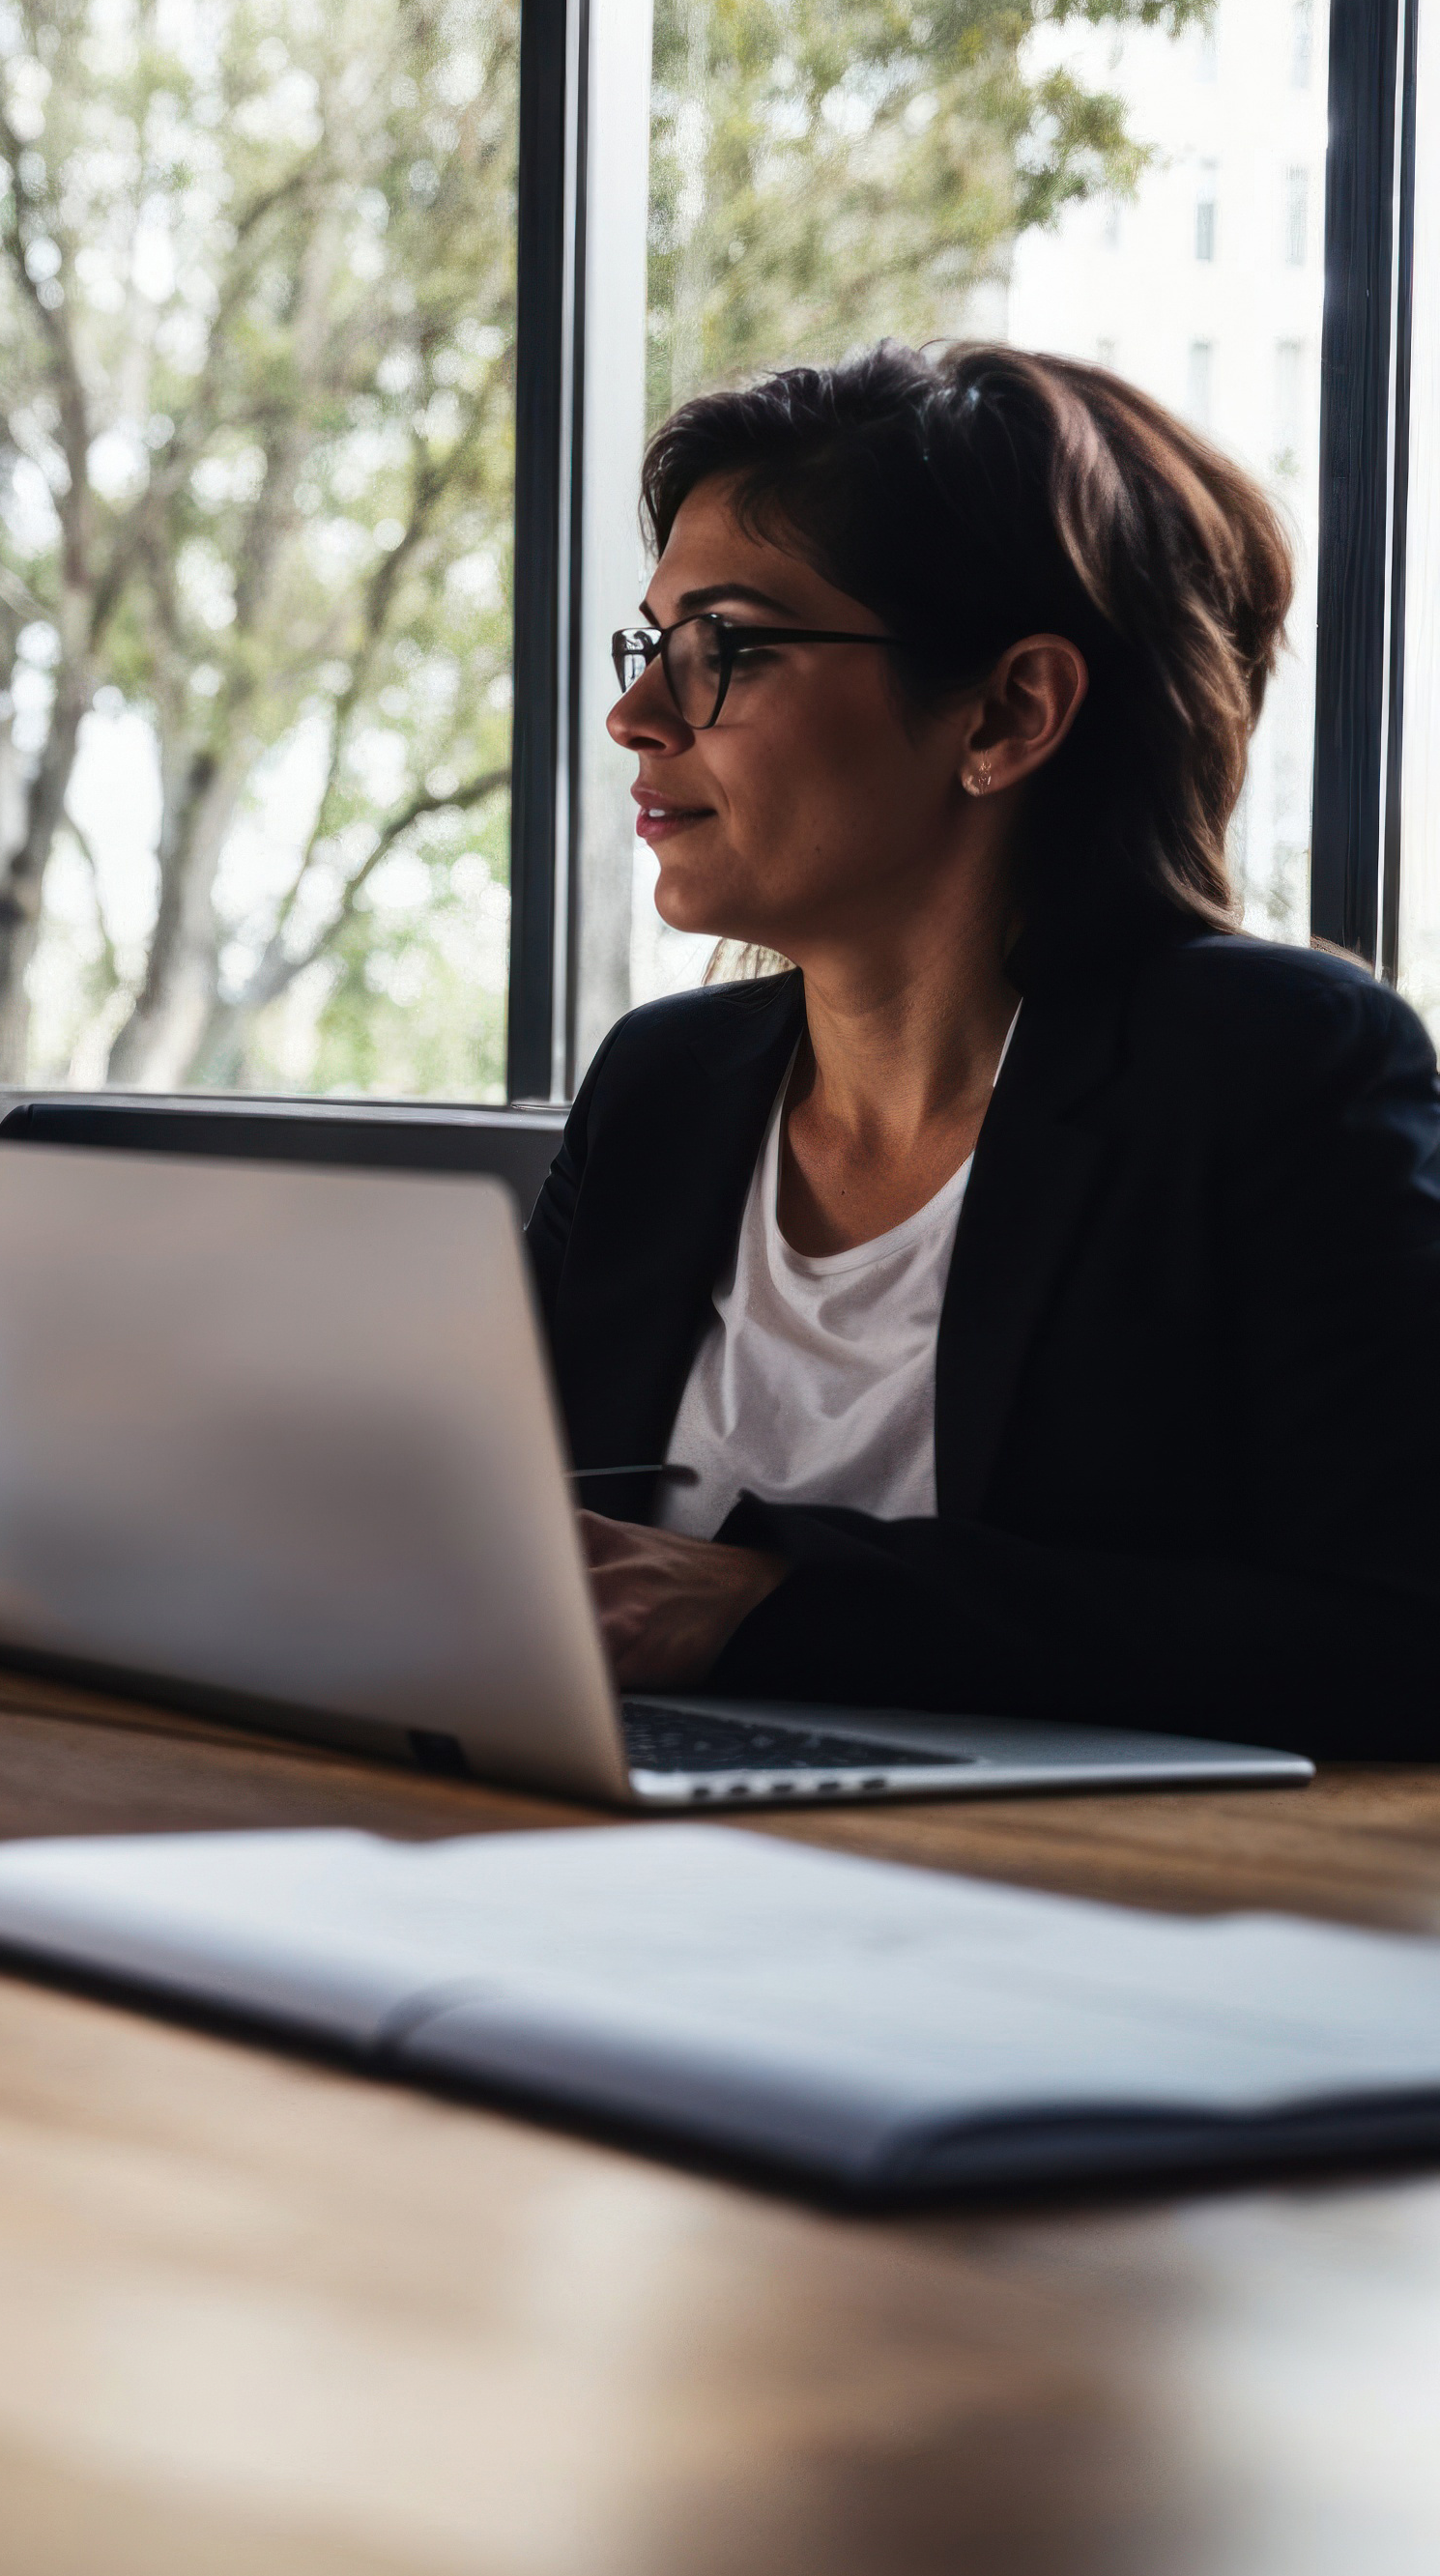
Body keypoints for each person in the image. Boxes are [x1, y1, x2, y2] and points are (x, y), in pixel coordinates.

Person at [533, 341, 1440, 1754]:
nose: (635, 714)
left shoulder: (1273, 1071)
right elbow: (517, 1545)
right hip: (592, 1839)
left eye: (736, 647)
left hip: (1064, 1908)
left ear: (1009, 711)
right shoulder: (662, 1087)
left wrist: (771, 1607)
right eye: (658, 644)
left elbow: (1399, 1638)